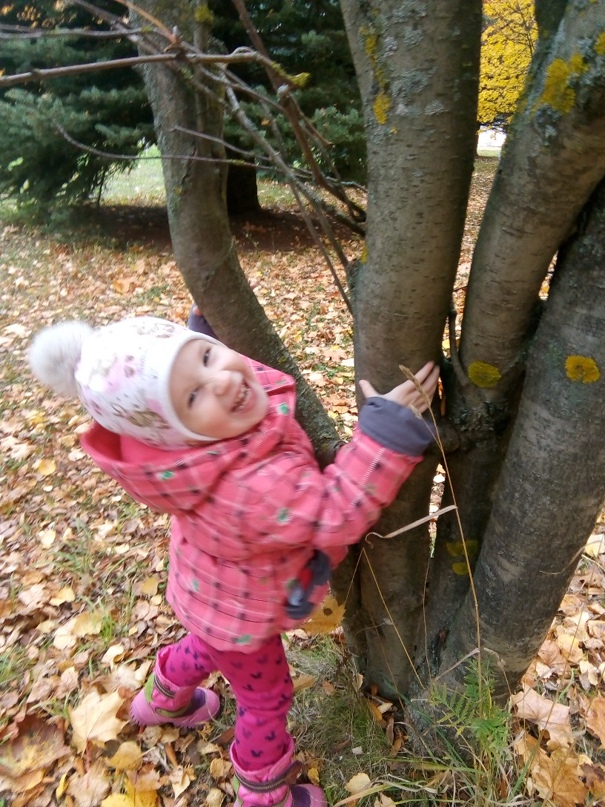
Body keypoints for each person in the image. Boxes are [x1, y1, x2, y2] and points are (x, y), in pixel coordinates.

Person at [29, 315, 439, 807]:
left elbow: (190, 376)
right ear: (171, 434)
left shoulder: (198, 447)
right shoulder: (248, 486)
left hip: (209, 594)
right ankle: (263, 792)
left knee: (206, 644)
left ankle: (161, 701)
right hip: (241, 615)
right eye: (192, 397)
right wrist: (384, 437)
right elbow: (334, 512)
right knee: (266, 698)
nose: (221, 379)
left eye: (205, 355)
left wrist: (211, 329)